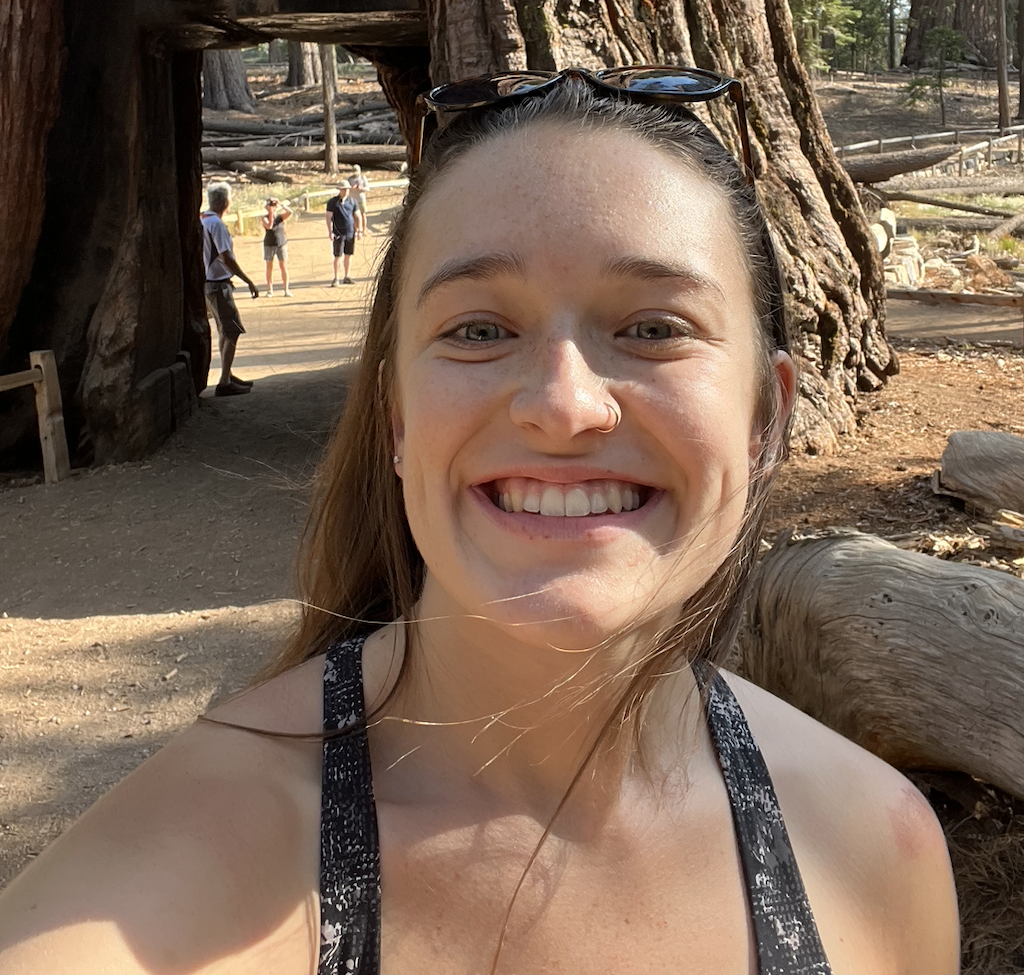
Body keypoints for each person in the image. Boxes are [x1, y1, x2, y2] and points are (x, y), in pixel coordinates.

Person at [0, 70, 959, 974]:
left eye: (655, 327)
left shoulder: (876, 844)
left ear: (765, 419)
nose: (563, 404)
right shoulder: (168, 887)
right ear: (397, 422)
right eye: (479, 330)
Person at [198, 182, 259, 397]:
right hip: (218, 283)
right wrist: (247, 279)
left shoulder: (202, 220)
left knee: (223, 330)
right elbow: (226, 256)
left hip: (207, 283)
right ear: (225, 202)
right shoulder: (216, 224)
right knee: (232, 329)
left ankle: (227, 372)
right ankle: (224, 381)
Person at [325, 180, 364, 285]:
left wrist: (359, 230)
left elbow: (358, 216)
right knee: (338, 256)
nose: (345, 191)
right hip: (338, 232)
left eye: (347, 189)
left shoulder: (352, 201)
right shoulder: (333, 202)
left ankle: (347, 276)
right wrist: (330, 231)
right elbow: (328, 217)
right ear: (339, 190)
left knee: (348, 254)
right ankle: (336, 278)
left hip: (350, 232)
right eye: (343, 189)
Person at [261, 197, 293, 297]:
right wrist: (271, 213)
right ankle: (270, 290)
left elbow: (290, 212)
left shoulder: (280, 217)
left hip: (281, 243)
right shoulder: (264, 217)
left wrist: (281, 204)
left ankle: (286, 289)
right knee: (269, 267)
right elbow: (269, 226)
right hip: (269, 244)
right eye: (270, 206)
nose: (272, 207)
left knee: (283, 266)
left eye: (273, 206)